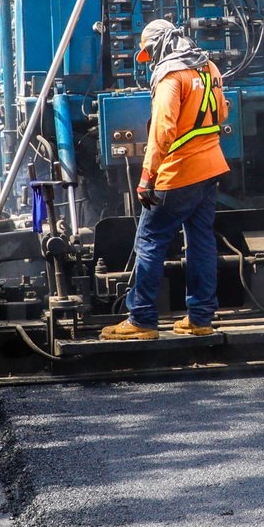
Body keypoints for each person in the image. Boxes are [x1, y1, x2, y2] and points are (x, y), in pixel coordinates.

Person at [102, 20, 230, 341]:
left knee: (149, 240)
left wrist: (147, 177)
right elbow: (223, 114)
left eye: (149, 52)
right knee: (201, 240)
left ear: (159, 46)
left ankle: (142, 319)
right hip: (211, 167)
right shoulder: (208, 68)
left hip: (178, 173)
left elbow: (162, 131)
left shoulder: (171, 77)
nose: (149, 60)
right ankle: (200, 317)